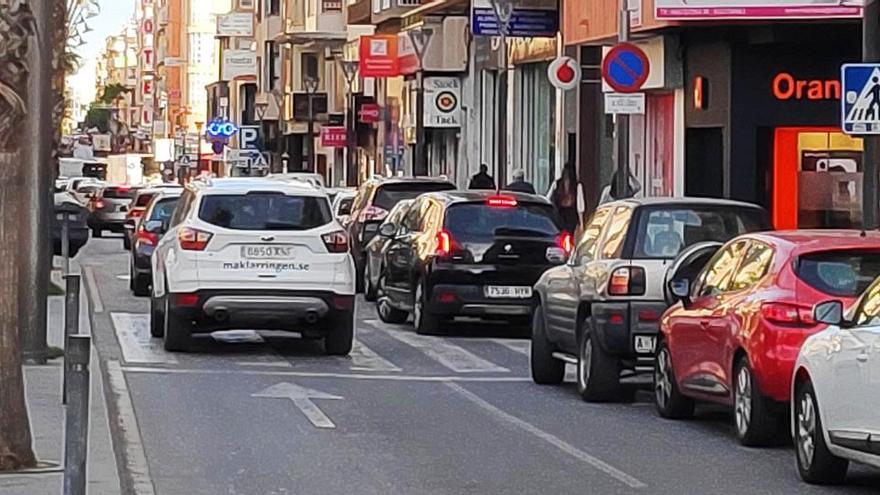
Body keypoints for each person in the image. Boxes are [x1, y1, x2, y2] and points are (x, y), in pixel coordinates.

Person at [550, 165, 579, 233]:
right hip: (566, 216)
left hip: (565, 215)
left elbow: (548, 199)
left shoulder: (557, 184)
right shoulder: (575, 186)